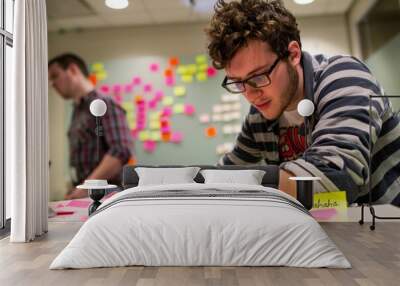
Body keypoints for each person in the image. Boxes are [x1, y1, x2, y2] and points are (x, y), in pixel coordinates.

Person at [206, 0, 400, 206]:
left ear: (293, 54)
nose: (251, 95)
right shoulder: (259, 118)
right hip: (336, 232)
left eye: (259, 76)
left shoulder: (345, 76)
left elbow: (335, 181)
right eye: (239, 82)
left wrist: (242, 183)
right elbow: (226, 171)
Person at [48, 53, 134, 199]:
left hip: (106, 198)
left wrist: (87, 187)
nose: (52, 83)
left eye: (55, 76)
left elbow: (121, 150)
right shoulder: (77, 110)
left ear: (73, 70)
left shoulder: (104, 103)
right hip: (87, 195)